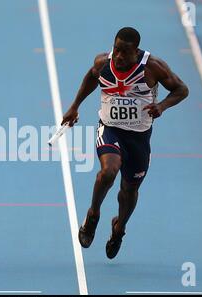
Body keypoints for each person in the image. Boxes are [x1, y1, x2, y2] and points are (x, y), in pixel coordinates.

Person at [62, 27, 189, 259]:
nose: (119, 56)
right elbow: (92, 77)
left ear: (136, 52)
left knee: (129, 190)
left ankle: (119, 229)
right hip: (110, 129)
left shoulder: (153, 67)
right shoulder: (103, 62)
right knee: (108, 172)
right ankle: (93, 215)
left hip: (139, 138)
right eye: (116, 49)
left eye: (125, 52)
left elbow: (182, 90)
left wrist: (161, 106)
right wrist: (74, 106)